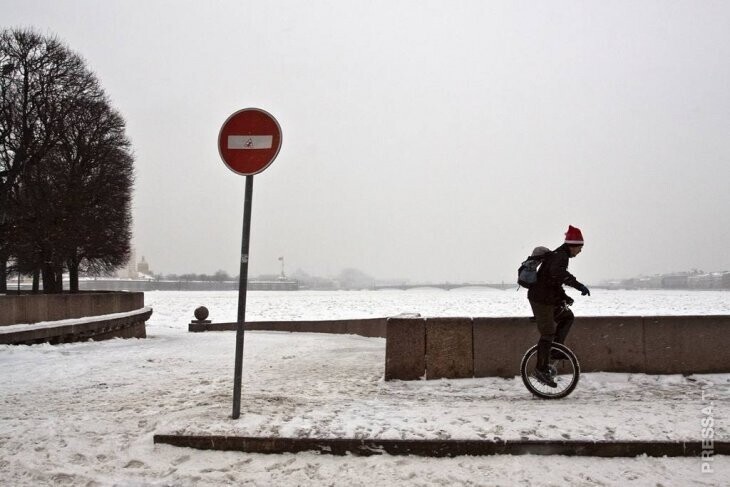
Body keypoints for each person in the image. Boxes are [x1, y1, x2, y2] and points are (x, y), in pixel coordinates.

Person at [527, 225, 590, 388]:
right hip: (541, 300)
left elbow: (553, 281)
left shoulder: (560, 255)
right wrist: (578, 285)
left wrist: (564, 297)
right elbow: (558, 275)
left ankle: (555, 350)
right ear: (573, 245)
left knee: (567, 317)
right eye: (580, 248)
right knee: (547, 333)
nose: (580, 252)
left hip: (547, 297)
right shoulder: (560, 257)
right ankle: (540, 369)